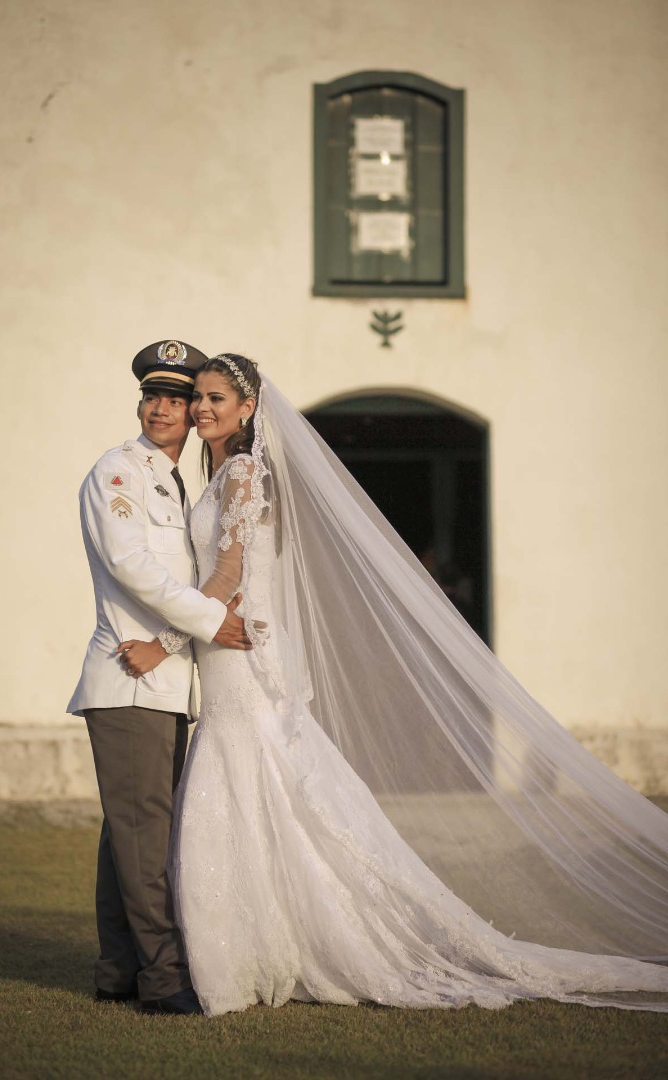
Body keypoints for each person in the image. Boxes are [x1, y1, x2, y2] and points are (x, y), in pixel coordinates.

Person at [121, 353, 668, 1018]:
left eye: (214, 397)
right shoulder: (227, 472)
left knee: (248, 784)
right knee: (260, 794)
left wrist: (164, 643)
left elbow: (230, 573)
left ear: (247, 409)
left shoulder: (240, 471)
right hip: (232, 652)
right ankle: (265, 942)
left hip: (237, 658)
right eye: (197, 397)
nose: (201, 407)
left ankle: (259, 949)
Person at [67, 340, 253, 1015]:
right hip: (129, 678)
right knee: (146, 832)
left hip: (165, 681)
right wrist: (207, 619)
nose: (164, 409)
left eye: (177, 399)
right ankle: (163, 976)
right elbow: (131, 566)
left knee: (129, 832)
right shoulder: (120, 472)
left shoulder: (179, 480)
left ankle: (119, 968)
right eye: (155, 397)